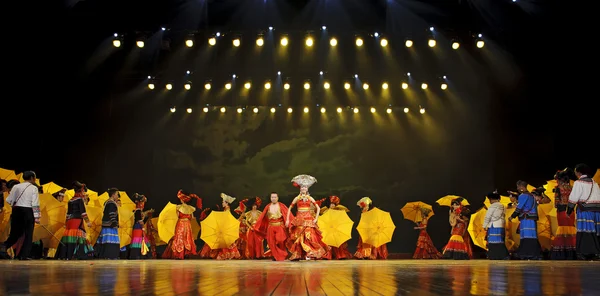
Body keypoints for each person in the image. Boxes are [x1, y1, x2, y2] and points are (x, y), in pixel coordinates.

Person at [286, 174, 329, 260]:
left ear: (307, 189)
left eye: (305, 187)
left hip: (308, 219)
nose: (303, 189)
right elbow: (290, 207)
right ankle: (299, 254)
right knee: (298, 236)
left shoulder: (310, 198)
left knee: (309, 236)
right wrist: (287, 219)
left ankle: (309, 253)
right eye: (302, 187)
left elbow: (318, 207)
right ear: (300, 189)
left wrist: (316, 218)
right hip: (299, 219)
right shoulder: (297, 198)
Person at [0, 171, 39, 260]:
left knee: (15, 232)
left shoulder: (16, 186)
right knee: (28, 234)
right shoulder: (34, 188)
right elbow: (35, 203)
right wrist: (37, 217)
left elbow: (8, 200)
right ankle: (23, 255)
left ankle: (4, 245)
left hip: (16, 210)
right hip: (28, 211)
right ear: (32, 178)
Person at [567, 163, 600, 260]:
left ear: (579, 172)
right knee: (596, 232)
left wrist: (569, 210)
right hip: (597, 211)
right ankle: (597, 253)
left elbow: (573, 197)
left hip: (585, 211)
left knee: (585, 231)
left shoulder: (578, 183)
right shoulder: (594, 182)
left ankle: (585, 252)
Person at [56, 181, 94, 260]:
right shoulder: (79, 200)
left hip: (70, 221)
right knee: (77, 237)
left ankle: (66, 255)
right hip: (76, 221)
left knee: (69, 236)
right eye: (83, 191)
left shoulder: (71, 200)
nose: (84, 193)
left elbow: (68, 214)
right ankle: (76, 254)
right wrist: (88, 222)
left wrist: (66, 223)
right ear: (80, 191)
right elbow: (83, 213)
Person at [162, 190, 201, 259]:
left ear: (182, 200)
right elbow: (191, 217)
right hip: (188, 224)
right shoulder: (190, 208)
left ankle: (179, 253)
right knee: (187, 237)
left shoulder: (178, 207)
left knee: (179, 237)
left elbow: (177, 216)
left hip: (180, 224)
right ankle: (186, 253)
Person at [254, 192, 292, 261]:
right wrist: (258, 225)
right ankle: (275, 255)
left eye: (275, 197)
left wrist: (287, 221)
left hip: (280, 226)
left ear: (277, 198)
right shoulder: (268, 206)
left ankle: (282, 254)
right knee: (271, 242)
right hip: (271, 226)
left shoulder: (281, 205)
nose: (273, 199)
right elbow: (262, 216)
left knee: (280, 240)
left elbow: (287, 214)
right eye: (272, 197)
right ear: (270, 198)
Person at [510, 180, 542, 260]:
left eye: (518, 186)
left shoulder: (523, 195)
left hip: (526, 218)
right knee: (532, 236)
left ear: (521, 187)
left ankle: (526, 253)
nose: (517, 188)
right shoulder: (531, 196)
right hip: (532, 218)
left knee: (526, 236)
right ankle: (535, 254)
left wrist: (512, 216)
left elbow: (519, 207)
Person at [550, 169, 577, 260]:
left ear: (560, 179)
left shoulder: (558, 188)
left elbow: (556, 204)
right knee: (571, 229)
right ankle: (572, 251)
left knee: (562, 229)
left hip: (562, 212)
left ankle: (561, 252)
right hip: (571, 211)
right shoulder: (571, 188)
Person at [320, 195, 353, 260]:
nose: (332, 205)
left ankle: (339, 255)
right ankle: (328, 255)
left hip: (336, 228)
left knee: (337, 242)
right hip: (328, 228)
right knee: (328, 242)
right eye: (331, 204)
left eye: (333, 204)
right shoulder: (325, 211)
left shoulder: (339, 211)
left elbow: (341, 220)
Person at [95, 188, 120, 259]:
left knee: (105, 241)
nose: (117, 196)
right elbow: (111, 213)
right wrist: (114, 222)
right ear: (113, 195)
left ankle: (105, 255)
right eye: (117, 194)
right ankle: (110, 255)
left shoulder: (107, 202)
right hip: (110, 225)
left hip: (106, 224)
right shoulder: (111, 203)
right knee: (110, 240)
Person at [484, 191, 510, 260]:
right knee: (500, 240)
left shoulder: (491, 207)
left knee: (493, 241)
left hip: (494, 225)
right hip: (501, 224)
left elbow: (488, 217)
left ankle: (494, 256)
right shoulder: (503, 206)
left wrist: (485, 225)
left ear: (492, 199)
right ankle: (503, 255)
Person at [215, 193, 241, 260]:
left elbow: (227, 219)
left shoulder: (227, 210)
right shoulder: (226, 209)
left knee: (226, 242)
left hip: (226, 228)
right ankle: (226, 254)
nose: (222, 203)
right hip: (225, 227)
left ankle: (227, 254)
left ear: (227, 203)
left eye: (223, 202)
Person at [129, 193, 153, 259]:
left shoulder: (138, 211)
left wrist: (147, 216)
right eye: (142, 203)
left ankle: (141, 254)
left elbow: (142, 220)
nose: (143, 205)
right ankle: (138, 255)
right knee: (138, 240)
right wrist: (143, 226)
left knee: (141, 240)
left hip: (139, 227)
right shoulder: (138, 211)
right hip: (138, 227)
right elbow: (140, 221)